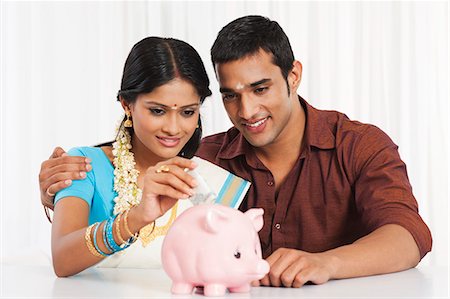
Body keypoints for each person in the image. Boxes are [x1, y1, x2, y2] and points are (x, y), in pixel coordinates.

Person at [39, 16, 432, 287]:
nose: (247, 112)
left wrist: (327, 263)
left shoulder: (358, 145)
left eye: (260, 89)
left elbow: (408, 237)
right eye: (231, 96)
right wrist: (58, 189)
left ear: (293, 75)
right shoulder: (206, 160)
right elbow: (132, 165)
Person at [45, 36, 212, 277]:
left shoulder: (206, 173)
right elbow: (62, 260)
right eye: (157, 111)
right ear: (126, 104)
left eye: (188, 112)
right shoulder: (84, 165)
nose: (174, 128)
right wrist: (137, 217)